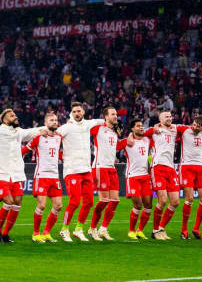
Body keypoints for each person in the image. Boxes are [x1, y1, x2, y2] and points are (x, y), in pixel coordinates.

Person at [0, 108, 44, 243]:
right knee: (9, 201)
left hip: (17, 174)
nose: (15, 117)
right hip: (1, 174)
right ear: (4, 119)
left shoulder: (19, 132)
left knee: (17, 203)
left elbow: (33, 131)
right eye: (12, 115)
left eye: (15, 115)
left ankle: (6, 234)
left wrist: (48, 127)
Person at [56, 102, 104, 242]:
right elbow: (52, 139)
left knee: (88, 202)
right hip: (72, 170)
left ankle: (78, 229)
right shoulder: (66, 127)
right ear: (72, 113)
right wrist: (62, 157)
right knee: (75, 201)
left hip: (86, 169)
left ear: (83, 112)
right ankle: (64, 230)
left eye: (79, 111)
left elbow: (104, 120)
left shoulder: (88, 124)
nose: (77, 113)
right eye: (74, 111)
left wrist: (113, 121)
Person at [88, 106, 129, 241]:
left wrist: (126, 142)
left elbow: (115, 146)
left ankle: (103, 228)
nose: (115, 116)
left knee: (115, 201)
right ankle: (92, 228)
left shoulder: (114, 131)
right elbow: (85, 128)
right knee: (103, 200)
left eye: (116, 114)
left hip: (112, 168)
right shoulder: (98, 128)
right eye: (112, 114)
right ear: (105, 116)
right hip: (100, 167)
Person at [26, 112, 63, 243]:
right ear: (45, 123)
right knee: (41, 205)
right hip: (41, 175)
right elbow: (25, 149)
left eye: (56, 120)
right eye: (51, 120)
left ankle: (46, 233)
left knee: (58, 206)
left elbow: (58, 153)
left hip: (55, 176)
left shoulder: (59, 137)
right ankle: (36, 234)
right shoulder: (38, 137)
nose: (54, 122)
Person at [143, 110, 180, 240]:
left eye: (170, 116)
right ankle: (155, 230)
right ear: (160, 119)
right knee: (163, 200)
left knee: (175, 201)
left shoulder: (175, 129)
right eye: (166, 116)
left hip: (171, 168)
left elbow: (190, 129)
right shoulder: (154, 131)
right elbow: (139, 132)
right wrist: (154, 127)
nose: (169, 118)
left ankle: (161, 227)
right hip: (158, 166)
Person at [176, 115, 202, 239]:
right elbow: (168, 126)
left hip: (201, 167)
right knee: (189, 198)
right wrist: (157, 126)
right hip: (187, 166)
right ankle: (184, 230)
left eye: (198, 126)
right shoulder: (184, 129)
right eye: (194, 124)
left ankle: (196, 228)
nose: (195, 127)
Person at [123, 118, 152, 240]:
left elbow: (152, 131)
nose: (141, 127)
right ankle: (131, 231)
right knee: (138, 205)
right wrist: (130, 135)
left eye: (142, 126)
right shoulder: (127, 142)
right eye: (138, 126)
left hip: (145, 176)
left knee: (148, 205)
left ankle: (140, 230)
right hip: (133, 176)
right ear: (132, 129)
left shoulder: (146, 140)